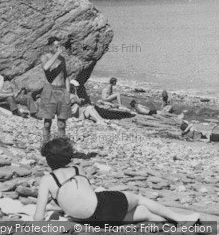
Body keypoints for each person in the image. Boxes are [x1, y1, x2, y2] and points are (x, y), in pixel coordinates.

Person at [34, 138, 199, 224]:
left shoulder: (47, 180)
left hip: (94, 220)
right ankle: (179, 218)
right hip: (105, 207)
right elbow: (87, 196)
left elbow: (38, 218)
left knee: (145, 214)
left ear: (49, 160)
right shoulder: (77, 169)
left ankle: (171, 223)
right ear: (68, 156)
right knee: (140, 200)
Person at [38, 37, 72, 143]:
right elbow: (46, 68)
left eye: (59, 46)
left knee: (62, 123)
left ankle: (61, 145)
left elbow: (65, 75)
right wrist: (57, 54)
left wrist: (68, 92)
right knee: (47, 122)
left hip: (62, 91)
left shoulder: (62, 59)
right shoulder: (45, 57)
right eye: (56, 46)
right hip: (50, 90)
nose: (58, 48)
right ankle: (45, 145)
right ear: (50, 46)